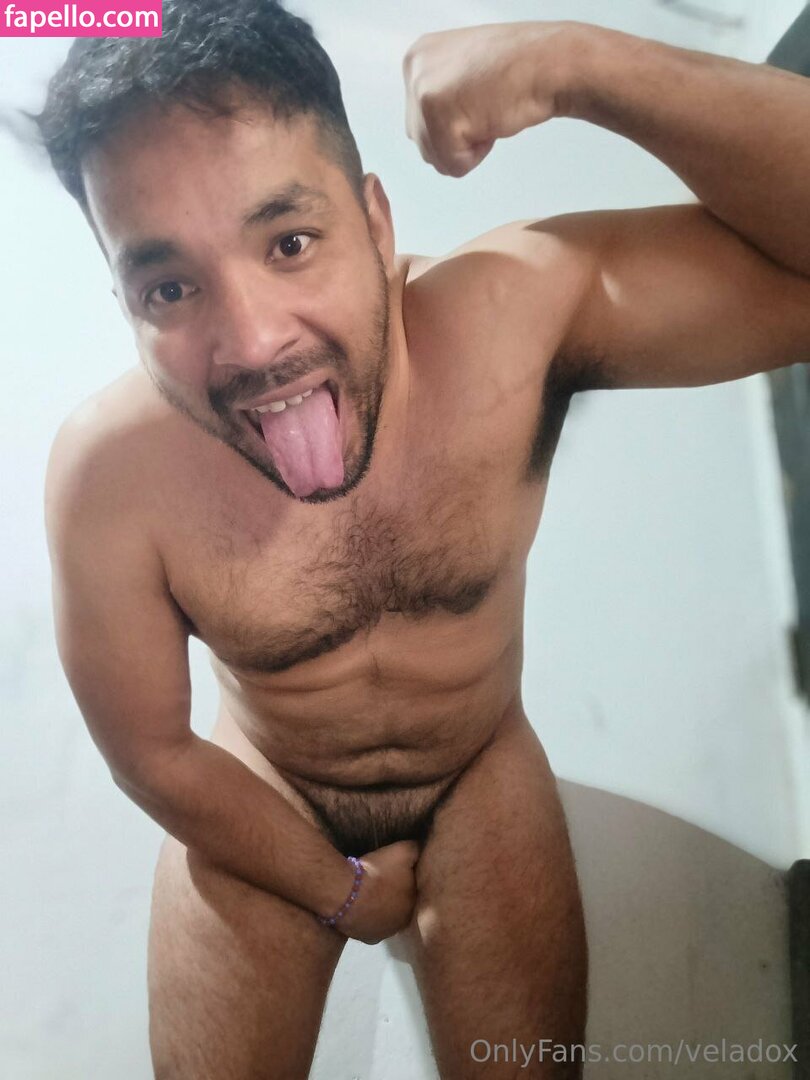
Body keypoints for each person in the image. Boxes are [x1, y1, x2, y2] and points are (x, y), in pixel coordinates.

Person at [39, 1, 810, 1077]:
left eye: (291, 241)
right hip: (264, 791)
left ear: (377, 221)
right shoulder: (108, 480)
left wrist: (579, 62)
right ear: (125, 299)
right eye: (170, 286)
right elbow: (153, 752)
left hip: (478, 768)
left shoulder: (516, 322)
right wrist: (338, 889)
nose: (254, 342)